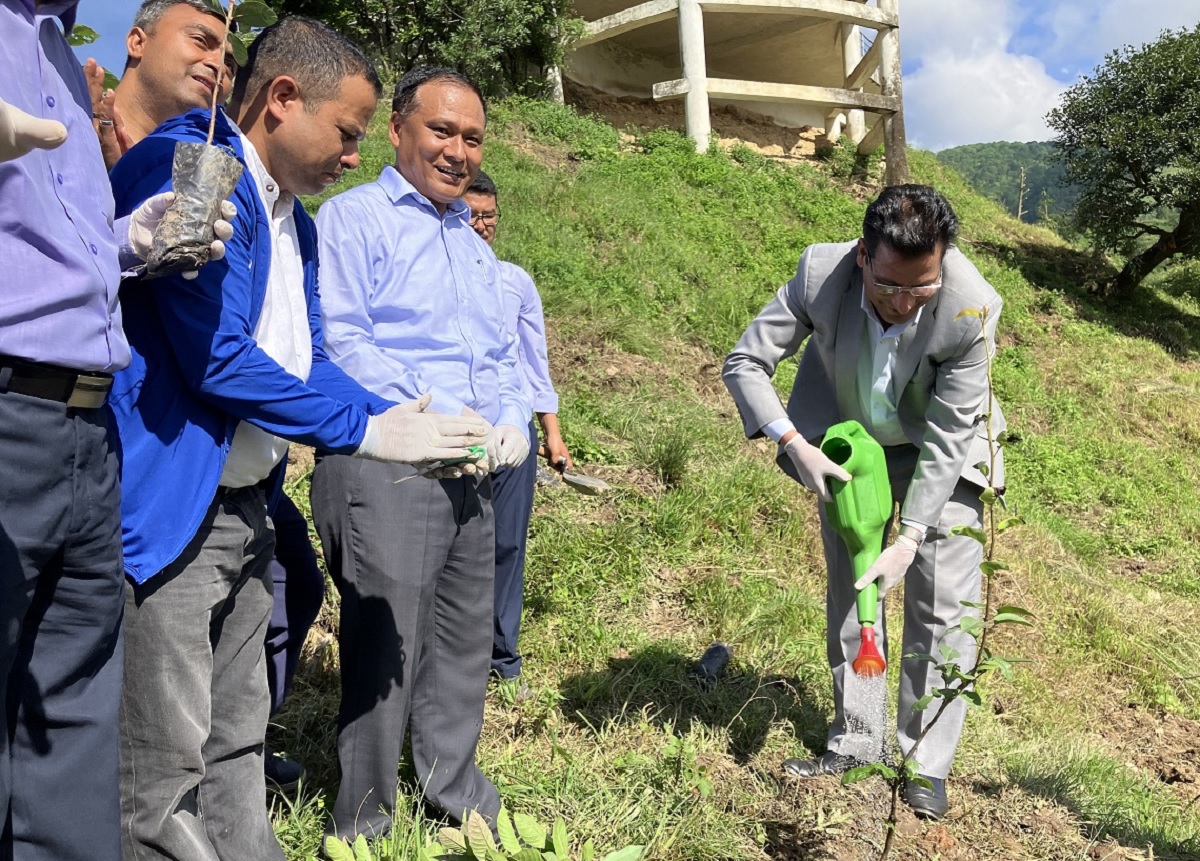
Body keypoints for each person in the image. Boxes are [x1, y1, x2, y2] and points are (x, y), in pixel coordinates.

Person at [107, 21, 490, 861]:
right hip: (176, 509)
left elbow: (307, 358)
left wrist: (401, 413)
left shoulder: (295, 222)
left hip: (247, 506)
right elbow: (217, 357)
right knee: (161, 769)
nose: (354, 155)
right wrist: (367, 430)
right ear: (282, 98)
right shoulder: (197, 166)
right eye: (347, 132)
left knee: (236, 737)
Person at [0, 3, 231, 859]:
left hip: (87, 425)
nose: (218, 59)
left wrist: (126, 242)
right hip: (10, 404)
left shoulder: (59, 56)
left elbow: (44, 249)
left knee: (72, 717)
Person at [722, 184, 1005, 821]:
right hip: (851, 449)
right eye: (889, 286)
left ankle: (923, 762)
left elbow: (949, 436)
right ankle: (856, 740)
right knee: (855, 591)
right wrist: (795, 443)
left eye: (921, 288)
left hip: (941, 453)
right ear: (862, 256)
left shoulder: (970, 306)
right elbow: (745, 362)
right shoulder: (819, 275)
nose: (904, 304)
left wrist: (911, 536)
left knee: (941, 606)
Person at [311, 66, 531, 842]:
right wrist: (435, 409)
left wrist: (510, 419)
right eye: (441, 130)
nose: (457, 150)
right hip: (390, 458)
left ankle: (455, 787)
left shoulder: (470, 245)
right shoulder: (354, 219)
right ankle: (363, 821)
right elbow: (343, 338)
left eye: (473, 138)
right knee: (384, 643)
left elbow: (498, 357)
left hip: (472, 465)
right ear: (398, 128)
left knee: (464, 637)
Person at [461, 170, 572, 686]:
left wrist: (551, 431)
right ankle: (452, 652)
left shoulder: (515, 282)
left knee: (507, 542)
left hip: (513, 428)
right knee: (454, 542)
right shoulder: (435, 274)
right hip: (457, 427)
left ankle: (502, 658)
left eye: (490, 216)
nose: (482, 225)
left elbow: (534, 361)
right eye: (471, 215)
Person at [94, 0, 237, 169]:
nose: (219, 66)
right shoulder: (72, 120)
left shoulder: (215, 174)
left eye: (229, 64)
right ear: (138, 43)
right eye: (200, 40)